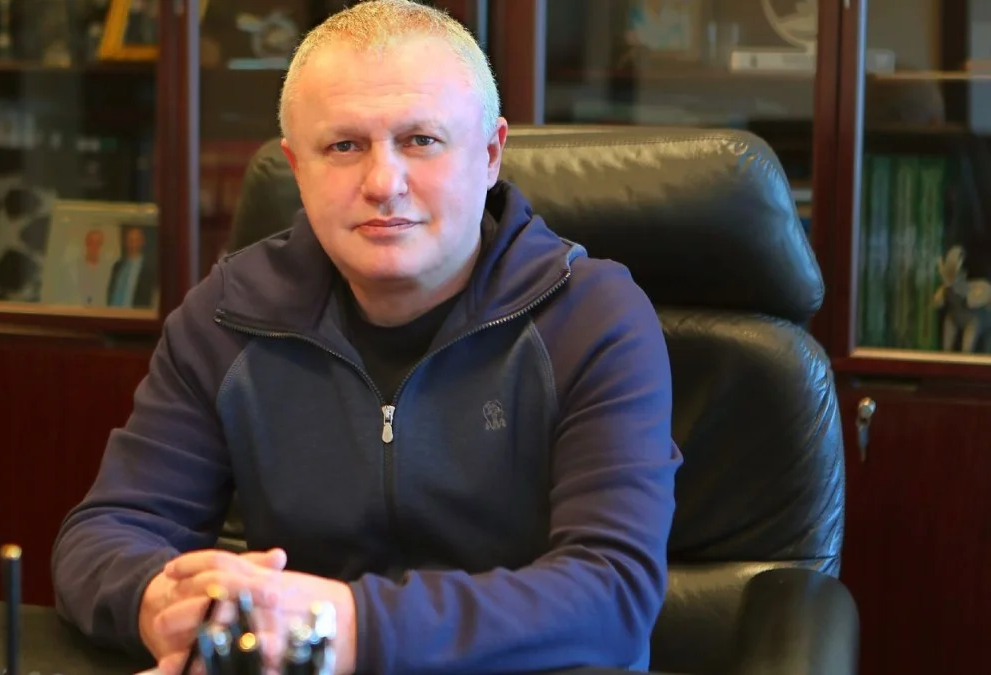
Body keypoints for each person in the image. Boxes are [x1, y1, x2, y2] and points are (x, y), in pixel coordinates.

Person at [51, 1, 682, 674]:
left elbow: (612, 594)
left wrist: (345, 626)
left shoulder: (591, 316)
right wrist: (164, 602)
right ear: (297, 166)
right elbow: (102, 536)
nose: (384, 184)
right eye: (344, 146)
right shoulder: (228, 315)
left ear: (491, 153)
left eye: (422, 140)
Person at [108, 224, 157, 308]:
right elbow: (111, 293)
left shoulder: (148, 270)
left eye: (136, 240)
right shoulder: (117, 266)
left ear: (142, 242)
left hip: (135, 314)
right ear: (126, 242)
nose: (133, 243)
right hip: (113, 313)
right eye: (130, 240)